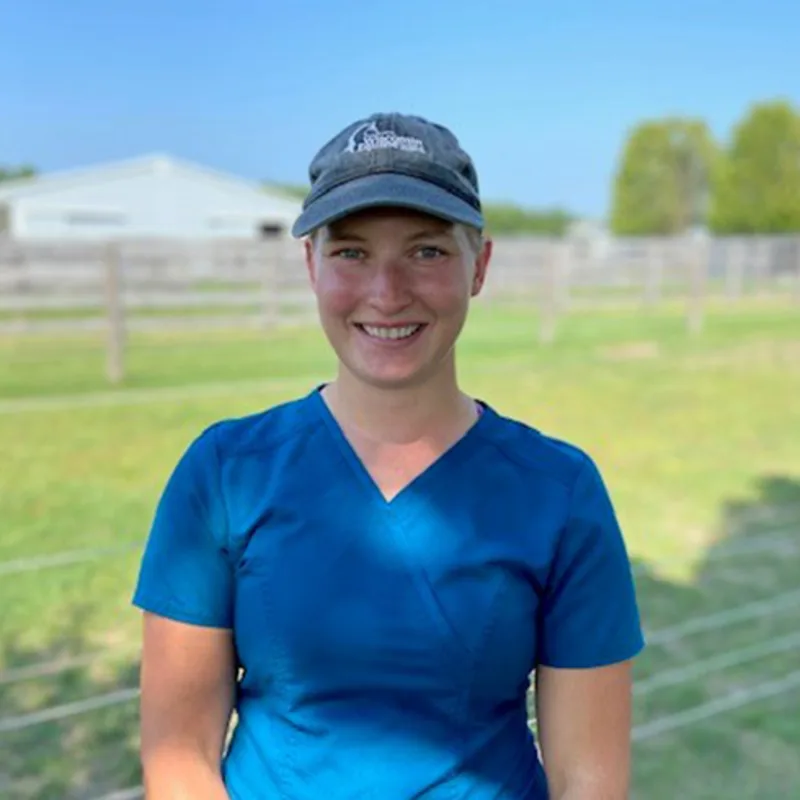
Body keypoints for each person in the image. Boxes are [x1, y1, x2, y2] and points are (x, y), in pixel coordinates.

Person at [132, 111, 645, 800]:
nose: (386, 291)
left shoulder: (559, 492)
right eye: (351, 252)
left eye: (427, 251)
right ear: (312, 265)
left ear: (480, 267)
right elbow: (179, 757)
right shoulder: (227, 473)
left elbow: (590, 783)